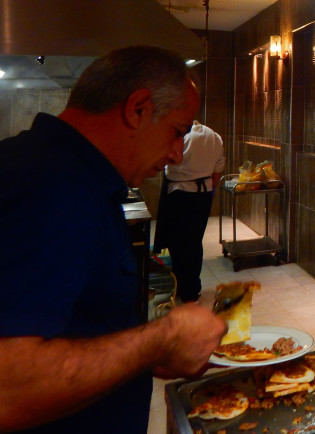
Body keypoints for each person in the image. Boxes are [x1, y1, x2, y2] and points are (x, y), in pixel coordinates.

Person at [0, 46, 226, 433]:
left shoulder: (58, 170)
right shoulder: (52, 186)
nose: (176, 154)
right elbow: (10, 388)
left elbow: (79, 323)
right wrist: (161, 338)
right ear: (138, 108)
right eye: (176, 132)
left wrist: (141, 354)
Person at [153, 120, 225, 302]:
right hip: (203, 194)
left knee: (177, 243)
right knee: (193, 242)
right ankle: (191, 287)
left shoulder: (180, 136)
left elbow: (165, 161)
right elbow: (218, 169)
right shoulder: (214, 136)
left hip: (178, 194)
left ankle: (184, 288)